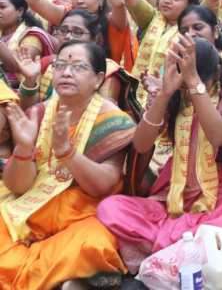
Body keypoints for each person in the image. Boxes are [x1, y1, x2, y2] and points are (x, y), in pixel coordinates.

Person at [96, 36, 222, 272]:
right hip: (172, 197)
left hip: (219, 196)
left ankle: (160, 252)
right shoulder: (174, 94)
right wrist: (164, 94)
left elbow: (218, 136)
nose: (187, 92)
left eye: (194, 79)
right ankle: (179, 253)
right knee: (110, 208)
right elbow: (141, 145)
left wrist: (194, 84)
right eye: (185, 83)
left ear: (216, 73)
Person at [0, 41, 135, 289]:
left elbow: (103, 186)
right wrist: (24, 150)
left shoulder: (115, 122)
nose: (66, 72)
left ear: (98, 79)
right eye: (60, 65)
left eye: (78, 67)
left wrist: (68, 153)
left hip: (82, 214)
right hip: (31, 207)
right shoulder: (39, 114)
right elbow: (17, 186)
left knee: (93, 244)